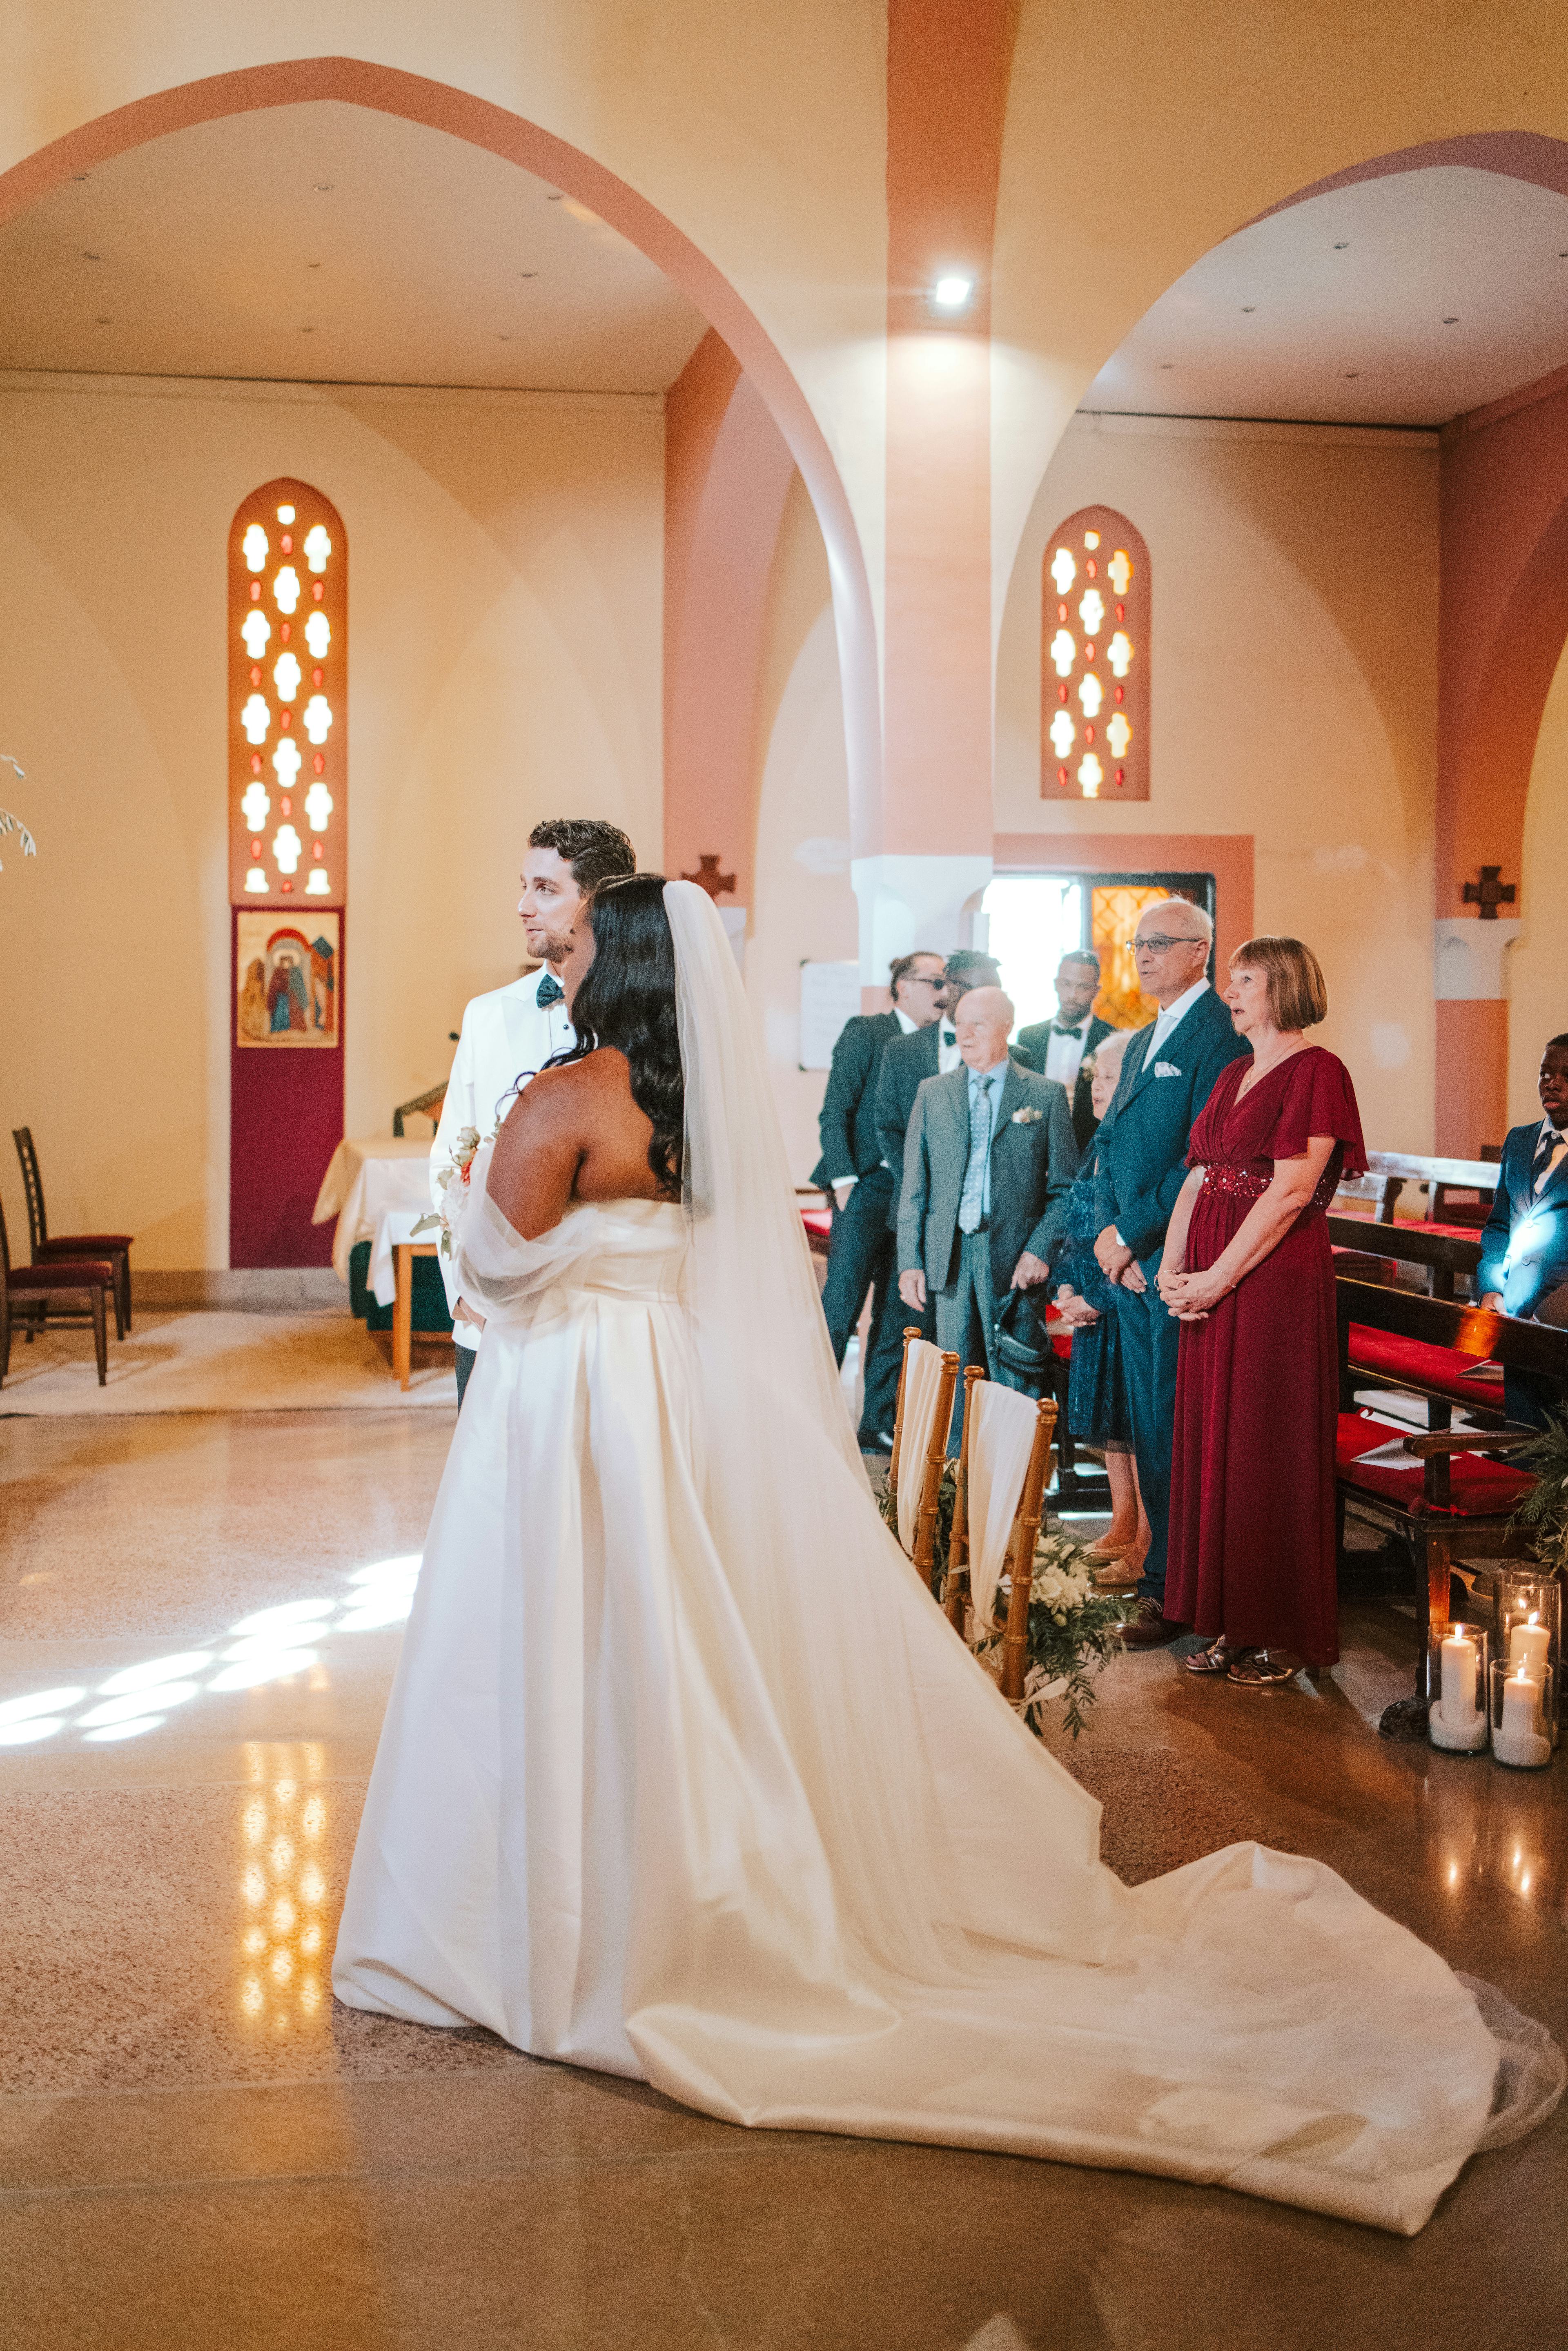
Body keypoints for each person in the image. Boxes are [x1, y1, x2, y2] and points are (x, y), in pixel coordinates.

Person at [333, 873, 1553, 2236]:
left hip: (568, 1399)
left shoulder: (571, 1096)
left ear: (603, 965)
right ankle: (687, 1871)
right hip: (668, 1393)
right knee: (680, 1630)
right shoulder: (693, 1113)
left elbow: (491, 1263)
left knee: (570, 1630)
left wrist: (503, 1171)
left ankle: (566, 1902)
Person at [1158, 938, 1367, 1687]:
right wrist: (1172, 1269)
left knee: (1263, 1448)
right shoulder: (1235, 1071)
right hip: (1215, 1271)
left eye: (1244, 980)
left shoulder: (1319, 1070)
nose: (1231, 992)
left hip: (1273, 1280)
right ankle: (1223, 1616)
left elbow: (1289, 1192)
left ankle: (1278, 1628)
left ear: (1282, 987)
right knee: (1217, 1443)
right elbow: (1197, 1177)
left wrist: (1216, 1276)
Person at [433, 816, 637, 1406]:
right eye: (523, 885)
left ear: (596, 902)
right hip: (489, 1315)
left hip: (601, 1318)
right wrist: (465, 1289)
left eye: (546, 889)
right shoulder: (487, 1016)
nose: (523, 906)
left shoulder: (648, 1021)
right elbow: (453, 1157)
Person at [1091, 900, 1252, 1646]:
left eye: (1160, 943)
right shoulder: (1144, 1034)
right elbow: (1112, 1142)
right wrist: (1105, 1236)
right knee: (1151, 1427)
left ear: (1201, 950)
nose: (1144, 954)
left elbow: (1202, 1155)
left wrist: (1133, 1233)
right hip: (1131, 1260)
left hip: (1173, 1256)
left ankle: (1180, 1591)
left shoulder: (1218, 1035)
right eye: (1138, 943)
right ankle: (1164, 1578)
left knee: (1172, 1426)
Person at [895, 987, 1077, 1394]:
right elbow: (914, 1188)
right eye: (959, 1023)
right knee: (955, 1375)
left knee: (1015, 1377)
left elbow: (1066, 1188)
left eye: (978, 1023)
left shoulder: (1045, 1095)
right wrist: (910, 1261)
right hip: (951, 1255)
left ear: (1006, 1027)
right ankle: (959, 1460)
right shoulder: (933, 1093)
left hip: (1016, 1258)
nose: (965, 1033)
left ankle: (1014, 1461)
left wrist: (1039, 1249)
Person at [812, 950, 946, 1451]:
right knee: (841, 1302)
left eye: (946, 981)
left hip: (913, 1197)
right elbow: (835, 1110)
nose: (943, 990)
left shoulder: (942, 1046)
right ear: (903, 986)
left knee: (897, 1311)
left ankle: (878, 1422)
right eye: (934, 981)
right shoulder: (867, 1031)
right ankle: (811, 1413)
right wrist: (846, 1182)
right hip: (865, 1188)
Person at [1050, 1027, 1148, 1584]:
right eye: (1095, 1076)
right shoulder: (1099, 1139)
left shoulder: (1134, 1141)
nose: (1097, 1086)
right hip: (1089, 1296)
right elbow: (1075, 1221)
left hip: (1118, 1298)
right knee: (1112, 1426)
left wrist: (1097, 1298)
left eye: (1110, 1076)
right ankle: (1121, 1522)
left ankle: (1147, 1542)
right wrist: (1064, 1287)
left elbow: (1139, 1236)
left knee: (1137, 1425)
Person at [1476, 1033, 1568, 1430]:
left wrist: (1551, 1310)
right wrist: (1490, 1285)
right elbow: (1499, 1223)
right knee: (1523, 1431)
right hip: (1514, 1309)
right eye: (1545, 1073)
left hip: (1559, 1316)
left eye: (1566, 1075)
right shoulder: (1519, 1141)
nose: (1553, 1083)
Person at [1016, 950, 1115, 1152]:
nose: (1072, 996)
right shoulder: (1028, 1037)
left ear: (1096, 991)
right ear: (1056, 984)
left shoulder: (1111, 1039)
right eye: (1067, 984)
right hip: (1033, 1145)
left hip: (1088, 1148)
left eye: (1083, 987)